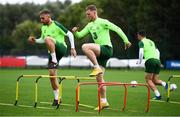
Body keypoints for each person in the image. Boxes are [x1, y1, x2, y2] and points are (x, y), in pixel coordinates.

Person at [72, 4, 131, 110]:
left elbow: (117, 29)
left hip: (107, 49)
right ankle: (104, 102)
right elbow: (80, 36)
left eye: (88, 14)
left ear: (94, 12)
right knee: (99, 80)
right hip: (100, 54)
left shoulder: (103, 21)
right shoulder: (89, 25)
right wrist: (75, 32)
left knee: (85, 47)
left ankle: (96, 67)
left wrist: (126, 40)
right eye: (86, 14)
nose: (87, 16)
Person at [28, 9, 77, 106]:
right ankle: (57, 98)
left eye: (43, 18)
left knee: (48, 38)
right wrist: (35, 40)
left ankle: (54, 60)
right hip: (52, 52)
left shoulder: (57, 25)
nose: (41, 20)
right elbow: (43, 40)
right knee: (52, 75)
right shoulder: (43, 28)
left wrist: (73, 48)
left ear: (49, 17)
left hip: (61, 47)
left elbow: (70, 34)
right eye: (40, 19)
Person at [136, 30, 168, 100]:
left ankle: (158, 95)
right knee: (154, 80)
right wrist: (158, 60)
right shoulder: (151, 41)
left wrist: (140, 61)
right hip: (157, 61)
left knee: (148, 79)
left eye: (137, 35)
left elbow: (141, 52)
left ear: (140, 35)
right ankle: (164, 84)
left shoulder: (141, 42)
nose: (137, 37)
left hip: (150, 60)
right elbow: (157, 51)